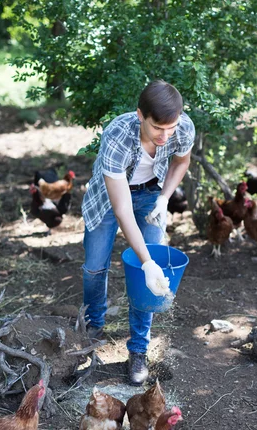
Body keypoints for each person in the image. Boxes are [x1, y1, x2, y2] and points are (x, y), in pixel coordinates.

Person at [81, 80, 195, 385]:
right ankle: (92, 332)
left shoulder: (181, 126)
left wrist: (164, 197)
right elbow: (121, 209)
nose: (165, 135)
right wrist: (146, 262)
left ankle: (139, 350)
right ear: (140, 115)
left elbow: (181, 161)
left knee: (149, 282)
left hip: (150, 194)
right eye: (158, 128)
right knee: (95, 267)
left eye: (170, 128)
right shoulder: (117, 135)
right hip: (108, 198)